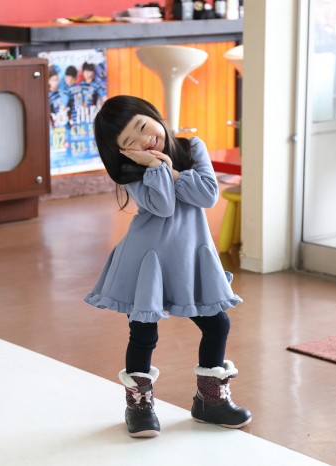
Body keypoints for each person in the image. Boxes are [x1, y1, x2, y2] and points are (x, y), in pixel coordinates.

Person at [84, 95, 251, 438]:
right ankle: (139, 407)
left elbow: (207, 195)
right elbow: (161, 206)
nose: (145, 140)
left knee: (217, 324)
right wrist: (153, 166)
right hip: (148, 261)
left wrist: (170, 169)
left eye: (143, 127)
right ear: (123, 152)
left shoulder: (191, 148)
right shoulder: (131, 170)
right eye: (131, 141)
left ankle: (210, 401)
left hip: (189, 258)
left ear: (154, 116)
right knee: (144, 333)